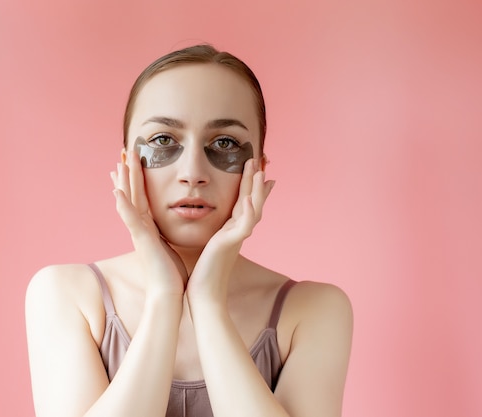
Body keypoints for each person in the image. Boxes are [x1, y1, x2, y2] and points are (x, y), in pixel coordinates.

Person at [25, 44, 353, 417]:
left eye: (225, 143)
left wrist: (208, 300)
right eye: (164, 140)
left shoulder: (313, 310)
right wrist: (165, 296)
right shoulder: (67, 295)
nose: (192, 172)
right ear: (127, 163)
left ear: (258, 168)